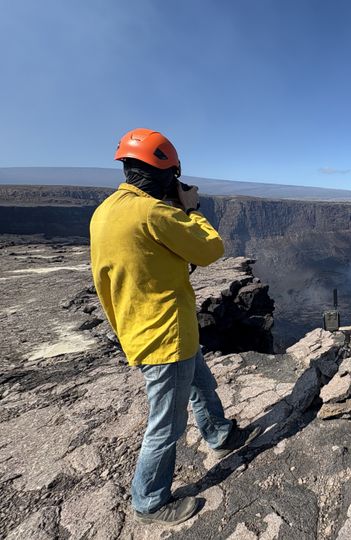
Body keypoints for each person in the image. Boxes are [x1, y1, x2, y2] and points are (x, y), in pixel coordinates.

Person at [90, 128, 258, 526]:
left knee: (201, 382)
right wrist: (191, 209)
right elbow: (211, 250)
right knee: (166, 424)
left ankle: (220, 433)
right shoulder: (153, 212)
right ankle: (149, 501)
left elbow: (108, 277)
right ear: (167, 173)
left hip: (140, 325)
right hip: (165, 333)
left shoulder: (105, 211)